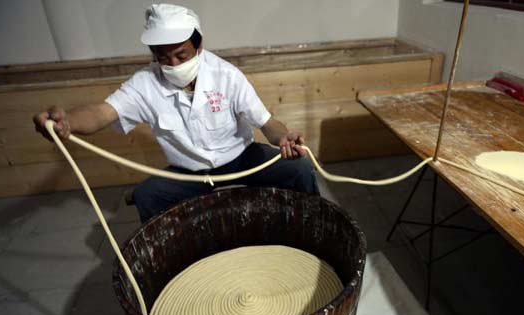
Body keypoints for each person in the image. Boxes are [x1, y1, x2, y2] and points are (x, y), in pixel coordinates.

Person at [33, 3, 319, 223]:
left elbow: (268, 124)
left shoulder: (226, 76)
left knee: (300, 167)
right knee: (148, 196)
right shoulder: (145, 83)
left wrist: (285, 138)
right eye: (163, 57)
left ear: (199, 45)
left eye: (182, 55)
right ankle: (176, 262)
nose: (172, 64)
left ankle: (313, 225)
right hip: (189, 172)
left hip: (241, 158)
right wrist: (67, 121)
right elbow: (101, 112)